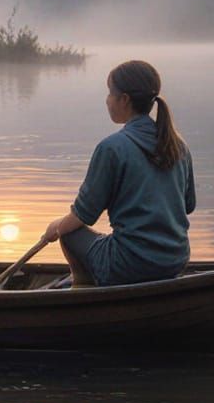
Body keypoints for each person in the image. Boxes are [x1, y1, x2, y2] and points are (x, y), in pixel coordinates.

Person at [43, 60, 195, 287]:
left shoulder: (112, 148)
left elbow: (83, 216)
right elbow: (188, 205)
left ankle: (83, 290)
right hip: (175, 260)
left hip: (128, 264)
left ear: (124, 99)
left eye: (110, 94)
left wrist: (55, 228)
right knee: (99, 239)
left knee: (70, 233)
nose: (107, 100)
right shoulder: (178, 145)